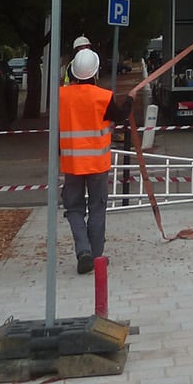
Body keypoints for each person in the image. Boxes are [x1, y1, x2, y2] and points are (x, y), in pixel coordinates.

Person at [58, 40, 130, 275]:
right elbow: (119, 116)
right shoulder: (103, 96)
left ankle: (83, 251)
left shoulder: (63, 96)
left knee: (74, 208)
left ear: (74, 72)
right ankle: (96, 257)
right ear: (96, 71)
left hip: (71, 165)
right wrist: (129, 101)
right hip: (98, 164)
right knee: (97, 208)